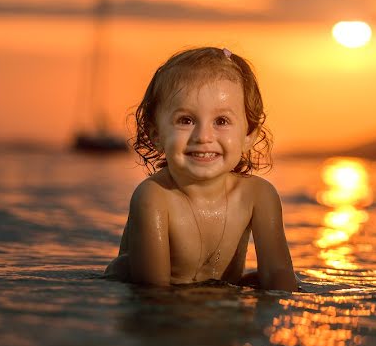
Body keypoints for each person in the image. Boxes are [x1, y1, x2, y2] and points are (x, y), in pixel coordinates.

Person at [105, 46, 297, 291]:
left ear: (248, 135)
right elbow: (152, 291)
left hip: (217, 297)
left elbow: (279, 274)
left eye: (221, 121)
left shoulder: (259, 196)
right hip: (156, 300)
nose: (203, 136)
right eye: (186, 120)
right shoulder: (154, 197)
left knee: (260, 282)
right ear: (156, 134)